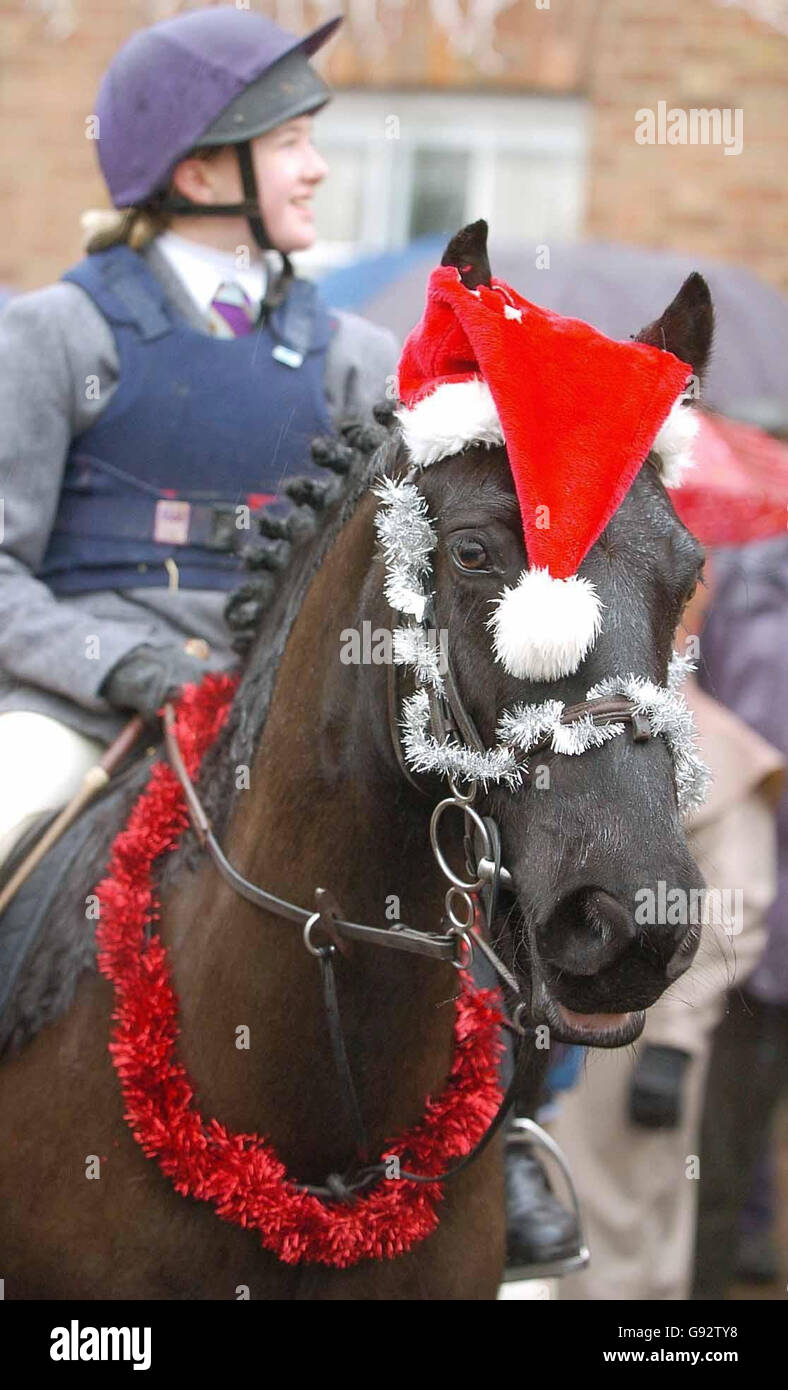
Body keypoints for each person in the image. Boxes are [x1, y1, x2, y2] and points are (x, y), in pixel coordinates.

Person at [0, 6, 398, 868]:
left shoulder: (358, 359)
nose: (318, 168)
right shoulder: (56, 336)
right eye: (291, 143)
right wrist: (120, 663)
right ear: (203, 174)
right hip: (80, 713)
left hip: (291, 728)